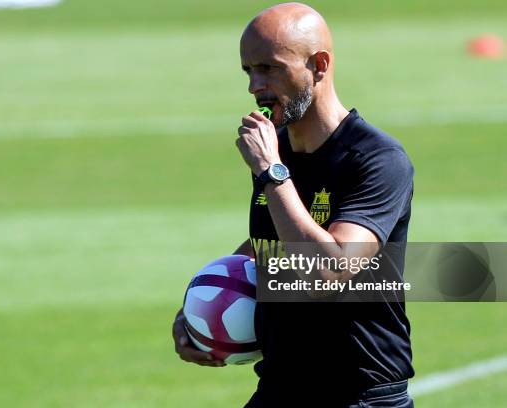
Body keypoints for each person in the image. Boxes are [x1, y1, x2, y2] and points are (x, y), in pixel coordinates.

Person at [172, 2, 415, 407]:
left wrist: (271, 171)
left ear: (318, 65)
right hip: (281, 387)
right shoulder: (279, 150)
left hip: (359, 396)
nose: (254, 86)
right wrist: (200, 309)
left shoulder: (377, 159)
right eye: (248, 70)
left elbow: (329, 271)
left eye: (269, 68)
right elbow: (269, 245)